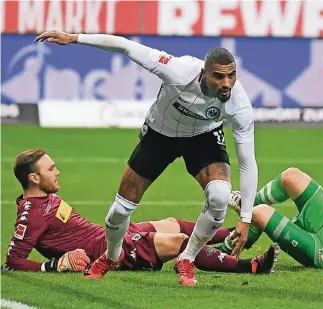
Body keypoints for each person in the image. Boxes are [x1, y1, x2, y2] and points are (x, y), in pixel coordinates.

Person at [34, 30, 258, 286]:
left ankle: (186, 258)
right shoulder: (178, 70)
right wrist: (75, 38)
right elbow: (126, 47)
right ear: (203, 73)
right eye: (218, 76)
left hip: (203, 137)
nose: (226, 83)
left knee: (219, 198)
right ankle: (111, 255)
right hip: (160, 136)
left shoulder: (239, 105)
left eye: (231, 75)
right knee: (119, 211)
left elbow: (247, 161)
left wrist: (245, 218)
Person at [4, 149, 277, 278]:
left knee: (171, 223)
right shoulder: (31, 215)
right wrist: (51, 265)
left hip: (109, 236)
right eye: (51, 169)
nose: (57, 171)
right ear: (34, 178)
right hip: (110, 252)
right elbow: (13, 261)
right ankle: (250, 266)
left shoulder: (46, 198)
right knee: (179, 242)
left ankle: (231, 236)